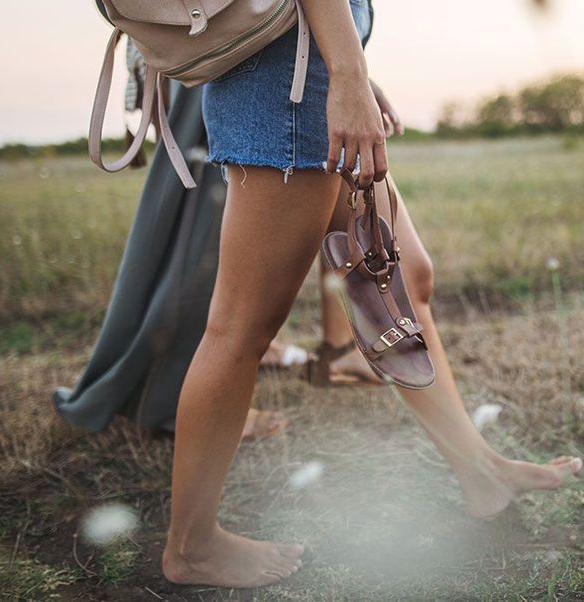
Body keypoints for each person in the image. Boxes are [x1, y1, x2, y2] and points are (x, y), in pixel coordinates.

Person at [160, 0, 584, 588]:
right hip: (286, 87)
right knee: (241, 328)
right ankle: (192, 547)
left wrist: (352, 66)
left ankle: (481, 472)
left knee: (404, 280)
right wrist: (348, 77)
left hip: (309, 68)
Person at [53, 5, 385, 441]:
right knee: (210, 247)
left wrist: (354, 74)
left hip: (265, 42)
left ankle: (212, 378)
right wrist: (349, 76)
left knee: (222, 249)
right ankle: (177, 391)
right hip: (243, 47)